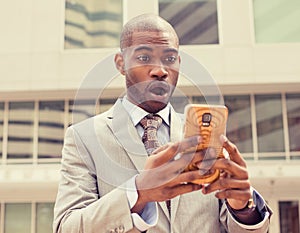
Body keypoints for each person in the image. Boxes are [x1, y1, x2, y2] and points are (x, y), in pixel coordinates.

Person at [53, 13, 272, 233]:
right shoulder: (84, 137)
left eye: (169, 59)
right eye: (144, 58)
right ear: (121, 64)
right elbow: (66, 227)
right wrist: (138, 192)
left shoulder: (206, 134)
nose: (160, 71)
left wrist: (244, 209)